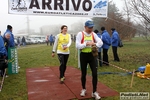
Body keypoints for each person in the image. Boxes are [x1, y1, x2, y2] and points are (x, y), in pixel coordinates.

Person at [76, 20, 103, 100]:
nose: (90, 29)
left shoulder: (93, 34)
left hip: (92, 56)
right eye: (89, 27)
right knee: (83, 74)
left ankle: (94, 92)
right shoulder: (80, 34)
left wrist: (95, 44)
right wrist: (86, 44)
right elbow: (77, 46)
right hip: (83, 56)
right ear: (85, 27)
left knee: (95, 74)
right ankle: (83, 89)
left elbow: (101, 42)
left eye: (92, 27)